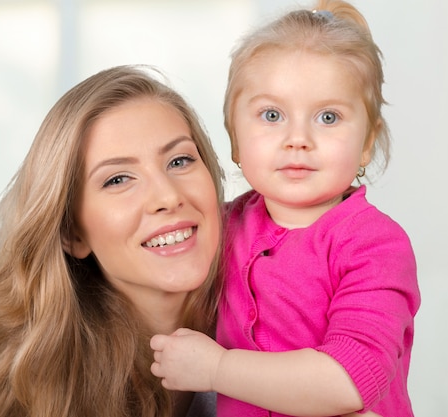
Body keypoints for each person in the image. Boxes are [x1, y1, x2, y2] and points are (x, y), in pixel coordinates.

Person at [150, 1, 421, 416]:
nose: (298, 138)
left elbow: (348, 381)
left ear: (367, 141)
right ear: (236, 139)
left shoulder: (375, 246)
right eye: (271, 114)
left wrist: (217, 368)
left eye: (328, 117)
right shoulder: (223, 226)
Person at [0, 65, 225, 417]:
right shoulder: (48, 385)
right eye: (117, 180)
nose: (168, 196)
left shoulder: (294, 330)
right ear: (72, 233)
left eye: (179, 160)